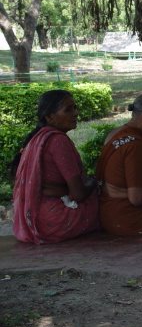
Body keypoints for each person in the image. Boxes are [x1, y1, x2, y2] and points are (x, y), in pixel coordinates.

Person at [11, 90, 100, 244]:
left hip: (35, 218)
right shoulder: (58, 141)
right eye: (68, 110)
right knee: (107, 203)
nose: (76, 114)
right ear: (50, 117)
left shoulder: (38, 138)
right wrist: (95, 181)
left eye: (75, 108)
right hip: (56, 221)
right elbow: (78, 194)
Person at [96, 91, 142, 236]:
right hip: (128, 217)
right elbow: (138, 198)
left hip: (109, 212)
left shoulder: (115, 133)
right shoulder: (135, 145)